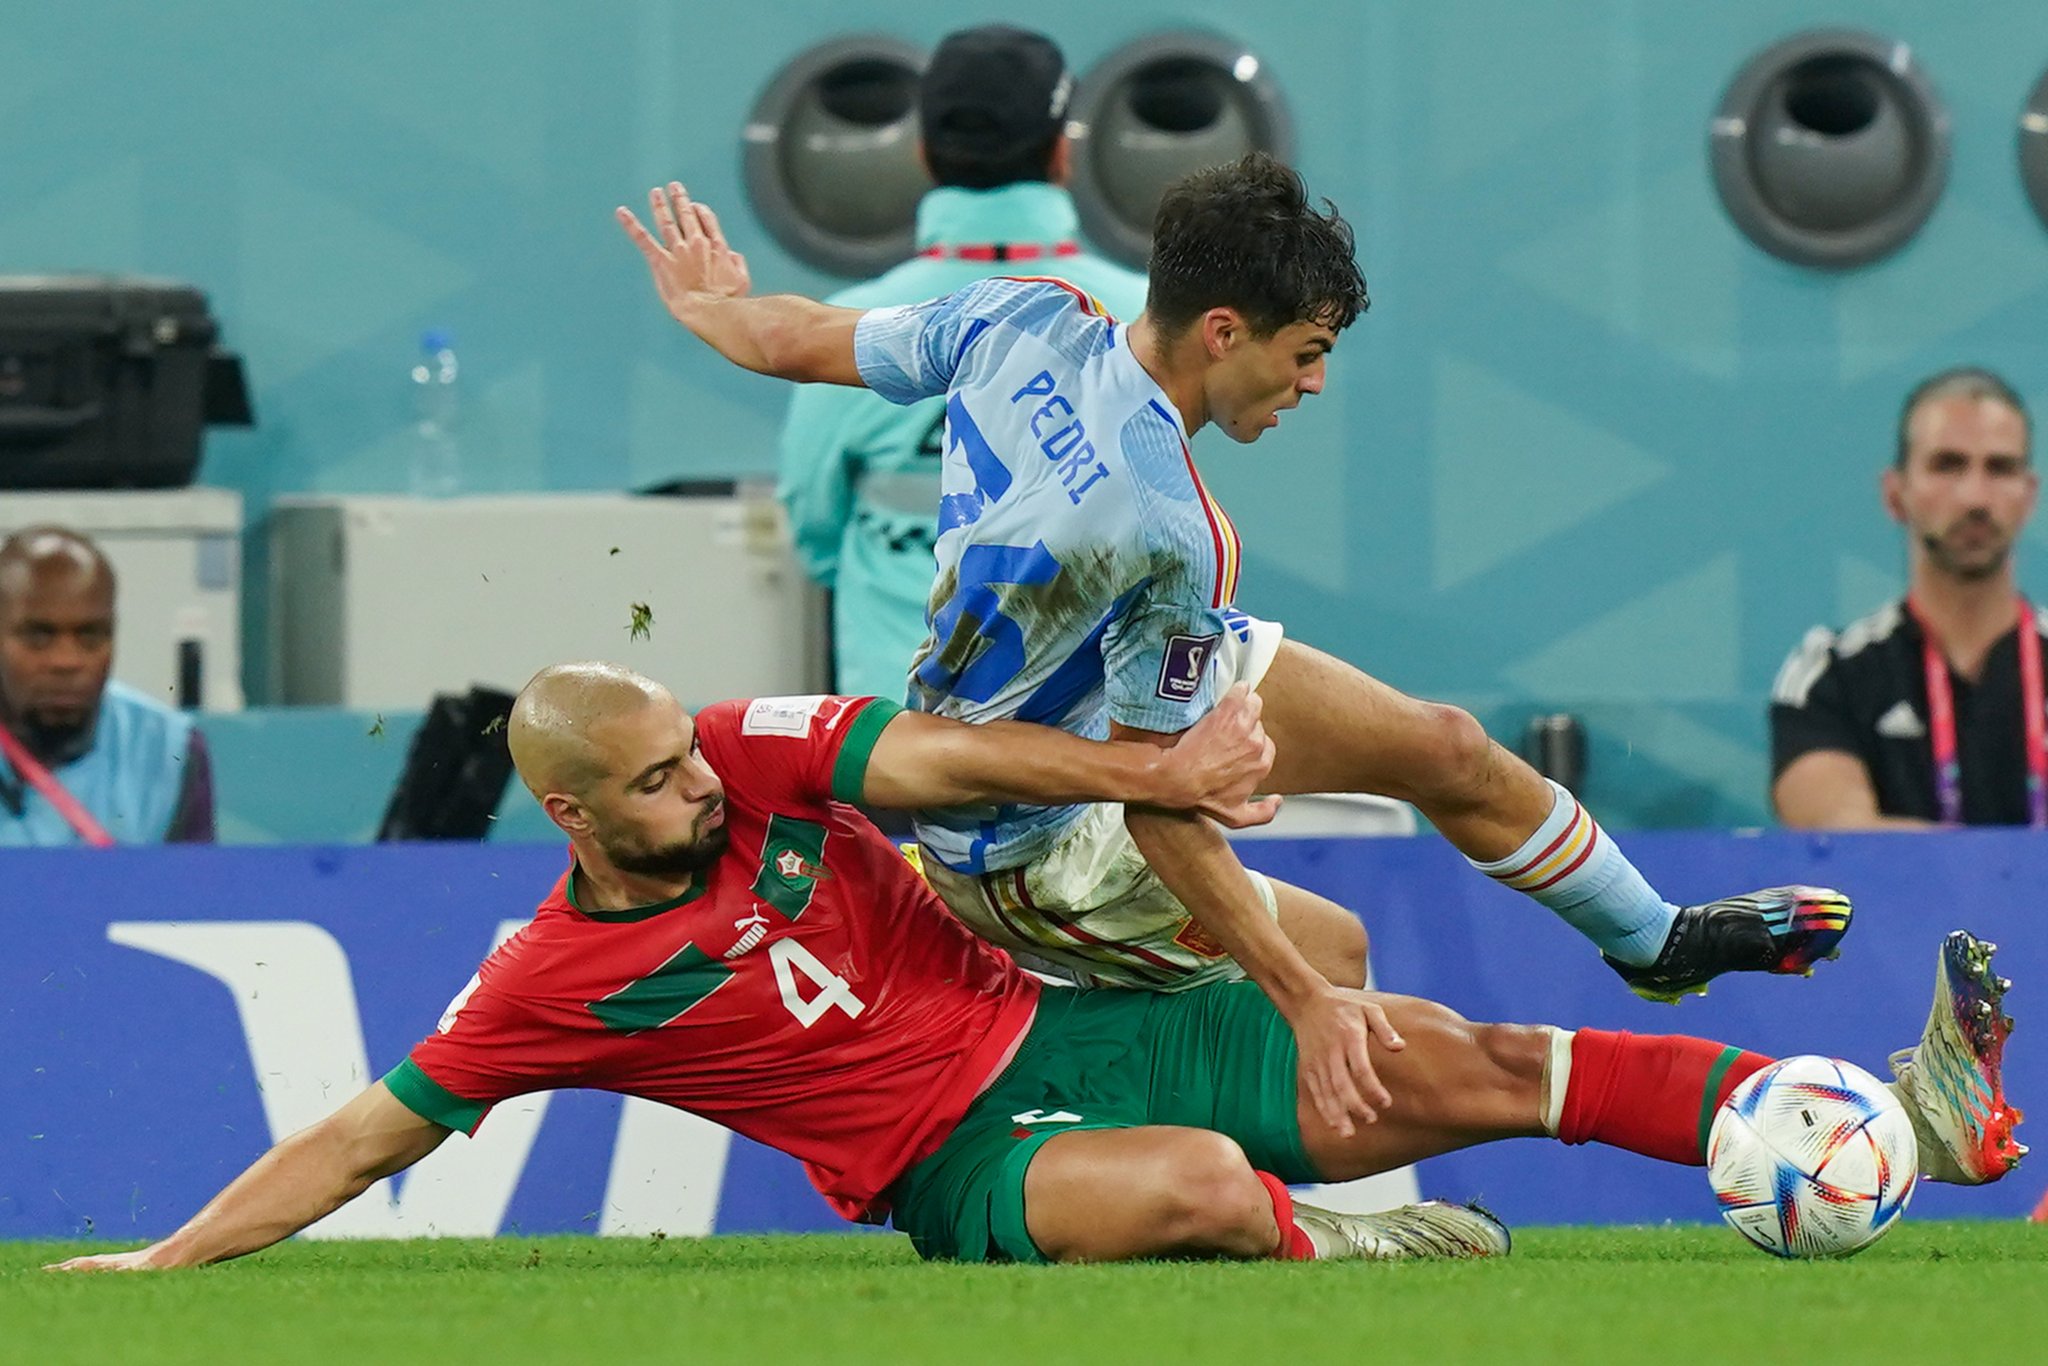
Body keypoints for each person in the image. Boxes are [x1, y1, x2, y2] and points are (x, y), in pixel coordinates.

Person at [614, 160, 1852, 1137]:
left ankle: (1651, 941)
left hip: (1083, 685)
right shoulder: (1170, 534)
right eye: (1304, 354)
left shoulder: (1026, 316)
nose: (1311, 385)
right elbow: (1158, 801)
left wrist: (715, 308)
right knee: (1328, 960)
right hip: (1023, 840)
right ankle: (1235, 1214)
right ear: (1221, 330)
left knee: (1442, 746)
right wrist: (1302, 998)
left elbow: (799, 339)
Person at [46, 664, 2018, 1272]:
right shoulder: (555, 977)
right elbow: (366, 1129)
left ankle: (1901, 1121)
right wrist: (172, 1256)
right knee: (1192, 1189)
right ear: (570, 813)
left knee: (1458, 1050)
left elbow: (927, 759)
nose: (694, 785)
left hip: (1076, 1018)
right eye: (650, 784)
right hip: (960, 1161)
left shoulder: (746, 756)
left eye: (686, 755)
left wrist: (1137, 783)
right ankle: (1339, 1241)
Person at [778, 25, 1147, 699]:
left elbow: (815, 526)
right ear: (1062, 153)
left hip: (894, 723)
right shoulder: (1142, 318)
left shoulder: (850, 325)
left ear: (923, 154)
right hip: (1082, 720)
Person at [1773, 368, 2042, 829]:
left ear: (2029, 496)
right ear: (1895, 494)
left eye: (2000, 468)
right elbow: (1842, 840)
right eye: (1947, 465)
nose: (1975, 497)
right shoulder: (1830, 675)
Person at [0, 526, 214, 846]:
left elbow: (193, 880)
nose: (66, 661)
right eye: (38, 636)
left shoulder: (170, 752)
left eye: (90, 636)